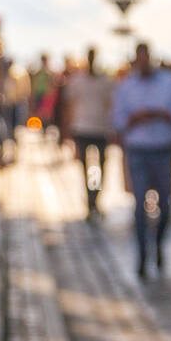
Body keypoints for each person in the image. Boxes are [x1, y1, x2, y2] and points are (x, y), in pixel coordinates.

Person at [112, 41, 171, 279]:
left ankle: (158, 245)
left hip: (162, 150)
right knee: (139, 206)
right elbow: (118, 119)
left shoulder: (169, 82)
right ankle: (142, 255)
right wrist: (136, 118)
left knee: (165, 205)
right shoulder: (126, 87)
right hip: (138, 150)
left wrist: (161, 114)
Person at [62, 47, 115, 220]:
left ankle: (95, 198)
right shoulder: (77, 81)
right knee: (86, 167)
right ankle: (90, 200)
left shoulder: (105, 81)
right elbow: (70, 105)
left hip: (100, 129)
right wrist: (68, 129)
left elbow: (110, 105)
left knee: (99, 168)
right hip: (83, 128)